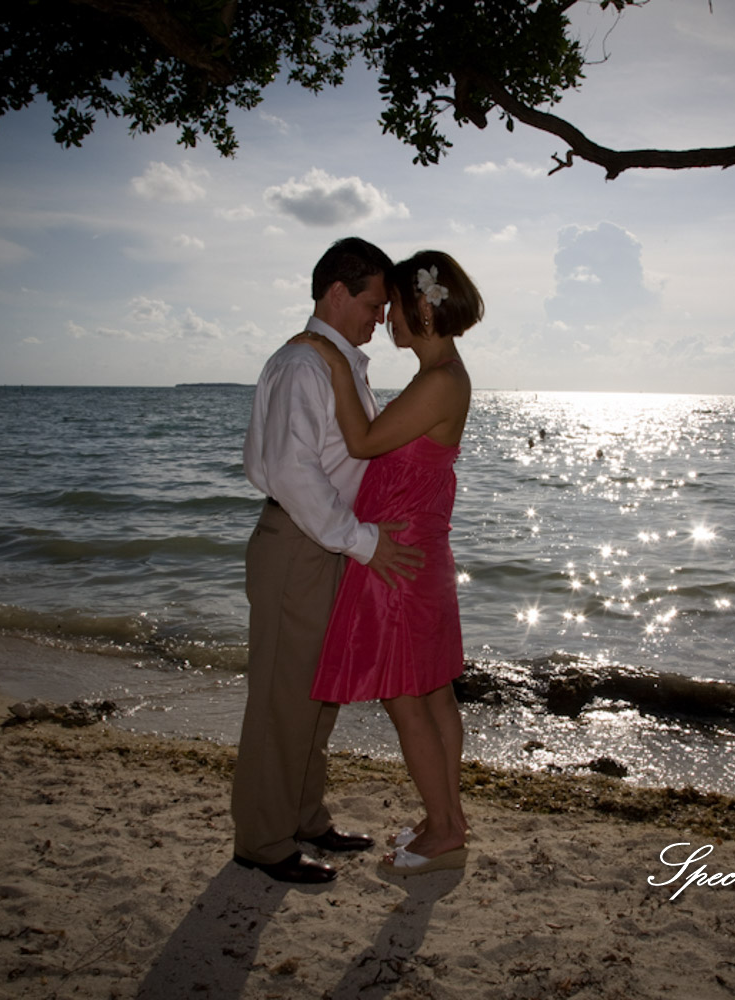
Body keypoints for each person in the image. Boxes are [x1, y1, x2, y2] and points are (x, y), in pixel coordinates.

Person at [230, 237, 425, 885]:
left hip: (326, 546)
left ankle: (304, 817)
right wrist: (367, 542)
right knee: (283, 699)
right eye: (374, 304)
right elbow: (294, 472)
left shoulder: (335, 364)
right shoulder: (305, 368)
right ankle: (263, 839)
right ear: (337, 294)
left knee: (316, 696)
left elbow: (351, 458)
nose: (379, 318)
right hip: (301, 547)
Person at [298, 250, 481, 877]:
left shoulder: (439, 382)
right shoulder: (443, 375)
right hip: (415, 555)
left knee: (408, 699)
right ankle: (446, 819)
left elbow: (364, 442)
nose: (386, 318)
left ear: (422, 306)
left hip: (400, 564)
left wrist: (330, 358)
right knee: (432, 694)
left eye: (394, 306)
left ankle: (446, 829)